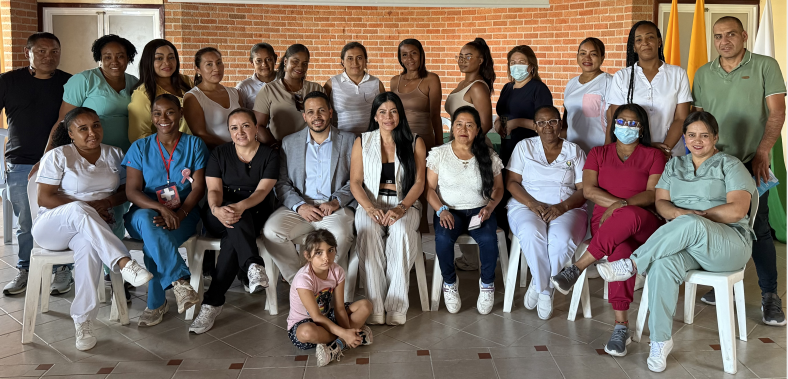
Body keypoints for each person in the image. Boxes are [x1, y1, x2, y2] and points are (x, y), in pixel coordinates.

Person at [596, 111, 757, 372]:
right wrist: (682, 216)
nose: (697, 141)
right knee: (662, 265)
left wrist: (696, 218)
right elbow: (661, 203)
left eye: (704, 135)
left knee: (690, 223)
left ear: (715, 137)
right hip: (687, 243)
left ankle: (632, 264)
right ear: (684, 137)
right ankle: (660, 341)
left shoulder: (730, 164)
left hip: (728, 243)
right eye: (691, 135)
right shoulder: (674, 165)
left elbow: (737, 210)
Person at [692, 16, 787, 326]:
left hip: (751, 161)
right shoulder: (703, 73)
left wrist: (763, 151)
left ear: (744, 36)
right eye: (718, 36)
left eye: (731, 34)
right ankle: (723, 281)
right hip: (714, 163)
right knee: (718, 223)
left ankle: (770, 296)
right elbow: (699, 120)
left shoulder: (765, 65)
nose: (724, 41)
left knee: (758, 227)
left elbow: (777, 112)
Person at [550, 103, 666, 357]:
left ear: (642, 128)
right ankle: (621, 327)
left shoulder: (654, 155)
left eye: (633, 123)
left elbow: (652, 194)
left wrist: (621, 206)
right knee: (620, 252)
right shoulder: (598, 153)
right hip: (606, 226)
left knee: (629, 214)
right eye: (621, 122)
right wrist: (616, 206)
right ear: (613, 126)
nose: (626, 127)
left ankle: (577, 268)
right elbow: (589, 190)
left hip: (644, 223)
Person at [32, 107, 153, 350]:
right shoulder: (58, 156)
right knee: (78, 209)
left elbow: (126, 191)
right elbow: (44, 198)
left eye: (96, 125)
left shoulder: (114, 154)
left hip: (89, 230)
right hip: (53, 227)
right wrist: (89, 207)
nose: (92, 132)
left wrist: (106, 203)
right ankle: (123, 262)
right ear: (70, 133)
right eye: (83, 128)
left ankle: (83, 321)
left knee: (88, 248)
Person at [37, 33, 138, 294]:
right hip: (82, 155)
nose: (114, 61)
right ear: (99, 58)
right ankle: (81, 268)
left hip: (120, 156)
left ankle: (113, 276)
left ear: (129, 58)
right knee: (82, 208)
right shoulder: (83, 81)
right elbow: (64, 122)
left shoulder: (134, 83)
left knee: (114, 212)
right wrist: (47, 156)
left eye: (120, 56)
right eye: (107, 56)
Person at [189, 108, 279, 334]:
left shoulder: (269, 155)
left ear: (256, 128)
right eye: (234, 128)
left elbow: (262, 191)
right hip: (217, 213)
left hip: (254, 213)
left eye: (246, 126)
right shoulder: (219, 154)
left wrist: (240, 206)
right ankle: (253, 265)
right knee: (235, 218)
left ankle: (212, 303)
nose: (240, 132)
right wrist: (216, 209)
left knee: (234, 233)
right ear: (229, 132)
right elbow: (214, 190)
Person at [123, 94, 208, 326]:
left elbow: (198, 188)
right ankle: (179, 281)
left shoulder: (194, 144)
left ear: (180, 114)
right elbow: (132, 191)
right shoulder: (140, 147)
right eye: (157, 113)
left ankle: (157, 303)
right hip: (144, 212)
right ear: (151, 117)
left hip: (185, 214)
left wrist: (179, 213)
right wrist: (160, 208)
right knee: (147, 220)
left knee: (154, 243)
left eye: (170, 112)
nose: (163, 118)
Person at [263, 91, 357, 301]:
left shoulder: (350, 140)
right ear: (304, 116)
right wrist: (299, 206)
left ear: (330, 112)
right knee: (271, 232)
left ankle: (326, 287)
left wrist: (335, 202)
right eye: (311, 112)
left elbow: (356, 180)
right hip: (300, 206)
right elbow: (282, 182)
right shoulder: (289, 143)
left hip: (334, 208)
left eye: (321, 110)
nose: (317, 116)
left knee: (341, 235)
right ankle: (301, 284)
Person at [0, 32, 71, 296]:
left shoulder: (69, 82)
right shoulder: (8, 81)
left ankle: (62, 269)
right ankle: (26, 269)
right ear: (27, 52)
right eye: (41, 51)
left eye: (54, 51)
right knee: (27, 221)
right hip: (20, 162)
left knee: (61, 217)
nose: (48, 57)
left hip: (61, 162)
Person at [350, 92, 426, 325]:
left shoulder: (415, 141)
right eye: (382, 112)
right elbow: (355, 182)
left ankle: (396, 305)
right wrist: (370, 208)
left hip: (405, 203)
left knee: (401, 232)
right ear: (375, 116)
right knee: (368, 231)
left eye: (393, 111)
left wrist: (401, 208)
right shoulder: (362, 141)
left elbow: (419, 182)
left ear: (400, 114)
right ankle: (375, 306)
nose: (388, 117)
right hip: (370, 203)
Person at [506, 106, 588, 320]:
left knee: (562, 239)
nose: (547, 127)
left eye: (552, 121)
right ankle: (546, 290)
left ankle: (539, 284)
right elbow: (512, 182)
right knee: (531, 232)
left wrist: (562, 207)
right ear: (535, 126)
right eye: (541, 123)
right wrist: (531, 204)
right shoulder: (524, 147)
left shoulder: (574, 151)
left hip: (567, 206)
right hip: (527, 204)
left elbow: (584, 190)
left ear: (560, 124)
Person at [426, 106, 504, 315]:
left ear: (477, 130)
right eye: (459, 124)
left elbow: (499, 188)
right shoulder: (439, 154)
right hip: (449, 211)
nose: (463, 129)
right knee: (443, 239)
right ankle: (450, 283)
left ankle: (487, 284)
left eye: (470, 125)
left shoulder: (488, 155)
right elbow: (429, 189)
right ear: (452, 128)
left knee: (488, 240)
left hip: (481, 211)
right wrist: (441, 210)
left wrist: (489, 207)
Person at [287, 229, 373, 367]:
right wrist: (345, 333)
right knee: (306, 332)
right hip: (306, 323)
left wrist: (347, 331)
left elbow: (339, 308)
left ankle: (338, 345)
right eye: (319, 253)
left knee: (365, 305)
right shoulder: (304, 279)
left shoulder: (337, 271)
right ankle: (353, 336)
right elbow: (316, 317)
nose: (326, 257)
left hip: (327, 316)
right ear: (307, 255)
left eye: (330, 250)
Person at [607, 21, 691, 159]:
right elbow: (616, 120)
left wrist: (664, 150)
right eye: (639, 40)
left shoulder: (678, 74)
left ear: (659, 42)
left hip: (670, 153)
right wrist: (607, 153)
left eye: (650, 37)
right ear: (634, 47)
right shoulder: (622, 77)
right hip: (632, 154)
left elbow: (681, 118)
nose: (645, 43)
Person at [253, 44, 325, 146]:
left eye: (305, 63)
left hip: (312, 147)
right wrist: (275, 147)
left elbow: (326, 119)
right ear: (286, 61)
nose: (300, 67)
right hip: (280, 147)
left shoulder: (316, 89)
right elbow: (258, 126)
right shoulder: (269, 90)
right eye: (295, 61)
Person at [496, 45, 553, 165]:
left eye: (521, 62)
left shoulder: (539, 89)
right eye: (513, 62)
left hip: (529, 151)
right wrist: (497, 122)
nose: (516, 66)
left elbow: (547, 124)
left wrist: (518, 122)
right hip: (507, 147)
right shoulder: (507, 88)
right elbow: (503, 112)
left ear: (531, 66)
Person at [128, 39, 193, 143]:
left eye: (171, 57)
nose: (167, 63)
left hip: (198, 144)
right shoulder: (143, 94)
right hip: (171, 149)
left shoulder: (185, 81)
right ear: (149, 61)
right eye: (159, 58)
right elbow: (139, 136)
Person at [183, 47, 242, 149]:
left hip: (243, 150)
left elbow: (246, 122)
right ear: (198, 69)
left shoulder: (234, 92)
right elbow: (201, 134)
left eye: (219, 63)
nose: (216, 68)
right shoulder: (193, 97)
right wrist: (232, 149)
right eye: (209, 64)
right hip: (215, 153)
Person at [389, 39, 442, 150]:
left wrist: (439, 147)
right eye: (404, 55)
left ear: (421, 55)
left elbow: (435, 116)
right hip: (399, 141)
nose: (409, 58)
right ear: (400, 59)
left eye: (413, 53)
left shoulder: (431, 79)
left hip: (424, 140)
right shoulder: (394, 81)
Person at [563, 37, 614, 153]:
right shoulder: (571, 83)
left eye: (593, 54)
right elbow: (566, 118)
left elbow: (612, 120)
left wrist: (606, 151)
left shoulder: (609, 82)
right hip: (572, 151)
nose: (587, 58)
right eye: (583, 53)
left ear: (602, 58)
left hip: (597, 151)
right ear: (577, 56)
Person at [324, 42, 385, 136]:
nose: (355, 63)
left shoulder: (377, 83)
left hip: (370, 138)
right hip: (341, 139)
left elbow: (384, 112)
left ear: (365, 61)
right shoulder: (332, 84)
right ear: (342, 61)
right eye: (350, 58)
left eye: (359, 58)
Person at [445, 38, 495, 135]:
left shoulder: (477, 87)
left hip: (470, 143)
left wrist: (467, 143)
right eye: (460, 56)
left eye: (468, 57)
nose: (462, 60)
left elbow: (486, 124)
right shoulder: (462, 84)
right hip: (456, 142)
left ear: (480, 61)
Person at [236, 43, 277, 110]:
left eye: (268, 59)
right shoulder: (244, 87)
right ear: (252, 62)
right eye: (259, 61)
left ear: (275, 59)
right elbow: (240, 114)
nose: (264, 64)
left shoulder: (285, 81)